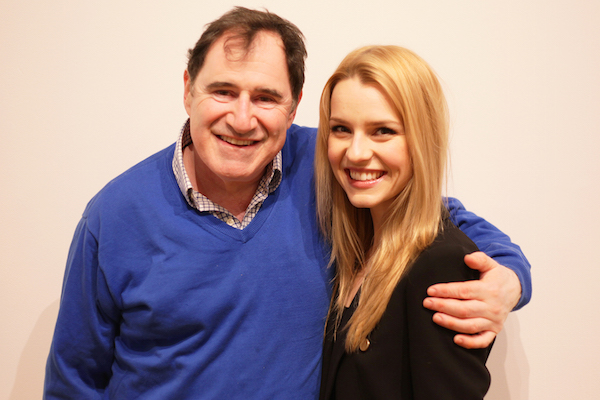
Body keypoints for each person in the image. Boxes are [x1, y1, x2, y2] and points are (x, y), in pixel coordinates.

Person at [44, 7, 530, 400]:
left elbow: (427, 210)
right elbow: (74, 381)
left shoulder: (328, 164)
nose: (241, 118)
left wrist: (509, 278)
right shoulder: (114, 216)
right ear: (188, 89)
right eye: (223, 91)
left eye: (265, 97)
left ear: (294, 106)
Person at [316, 45, 497, 399]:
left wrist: (514, 279)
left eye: (382, 130)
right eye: (341, 129)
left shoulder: (439, 264)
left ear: (422, 139)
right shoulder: (355, 250)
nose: (355, 152)